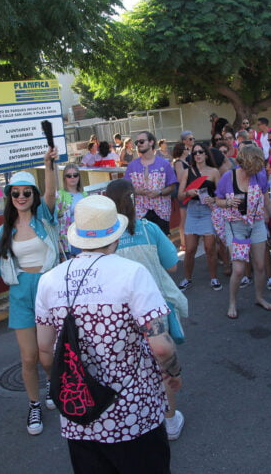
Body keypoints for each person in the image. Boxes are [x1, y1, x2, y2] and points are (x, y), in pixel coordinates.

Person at [35, 195, 181, 473]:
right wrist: (174, 371)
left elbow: (45, 350)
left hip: (80, 414)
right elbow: (161, 347)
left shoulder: (49, 281)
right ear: (115, 235)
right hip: (134, 415)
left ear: (78, 238)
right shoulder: (132, 274)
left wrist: (69, 385)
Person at [0, 148, 59, 435]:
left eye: (26, 193)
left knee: (48, 355)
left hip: (48, 291)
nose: (21, 197)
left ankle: (52, 387)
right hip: (21, 294)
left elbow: (51, 191)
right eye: (15, 194)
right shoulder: (3, 231)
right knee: (28, 357)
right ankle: (34, 403)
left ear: (33, 196)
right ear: (9, 197)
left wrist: (49, 164)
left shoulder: (45, 217)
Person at [106, 179, 188, 441]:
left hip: (117, 315)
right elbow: (173, 265)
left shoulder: (104, 238)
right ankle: (170, 420)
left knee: (126, 368)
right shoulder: (149, 229)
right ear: (133, 200)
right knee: (162, 363)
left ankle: (134, 417)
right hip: (153, 311)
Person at [215, 145, 271, 318]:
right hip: (235, 225)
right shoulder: (228, 178)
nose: (257, 170)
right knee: (238, 269)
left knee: (260, 265)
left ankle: (259, 297)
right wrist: (228, 203)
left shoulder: (259, 176)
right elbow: (218, 201)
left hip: (256, 223)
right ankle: (232, 302)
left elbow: (267, 201)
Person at [177, 142, 222, 291]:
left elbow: (222, 195)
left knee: (210, 248)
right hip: (192, 211)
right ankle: (187, 278)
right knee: (190, 249)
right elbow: (179, 195)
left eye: (200, 152)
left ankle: (214, 278)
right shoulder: (187, 172)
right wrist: (188, 193)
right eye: (195, 153)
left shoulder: (214, 172)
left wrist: (213, 199)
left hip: (208, 211)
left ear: (206, 154)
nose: (197, 155)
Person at [125, 131, 178, 236]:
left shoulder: (164, 164)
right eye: (137, 142)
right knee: (144, 246)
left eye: (141, 141)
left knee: (161, 246)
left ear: (151, 142)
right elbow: (126, 188)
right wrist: (136, 191)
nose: (138, 144)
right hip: (140, 213)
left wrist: (159, 192)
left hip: (161, 212)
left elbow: (172, 187)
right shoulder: (132, 166)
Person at [56, 164, 88, 259]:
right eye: (69, 175)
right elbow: (54, 218)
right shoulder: (59, 195)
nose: (72, 177)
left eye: (75, 175)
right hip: (68, 240)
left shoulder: (84, 194)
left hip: (85, 237)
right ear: (64, 178)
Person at [172, 142, 191, 251]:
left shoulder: (185, 161)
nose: (188, 149)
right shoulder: (179, 162)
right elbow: (180, 178)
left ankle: (186, 241)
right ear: (182, 150)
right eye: (186, 148)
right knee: (184, 218)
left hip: (186, 191)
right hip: (183, 191)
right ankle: (183, 243)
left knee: (187, 217)